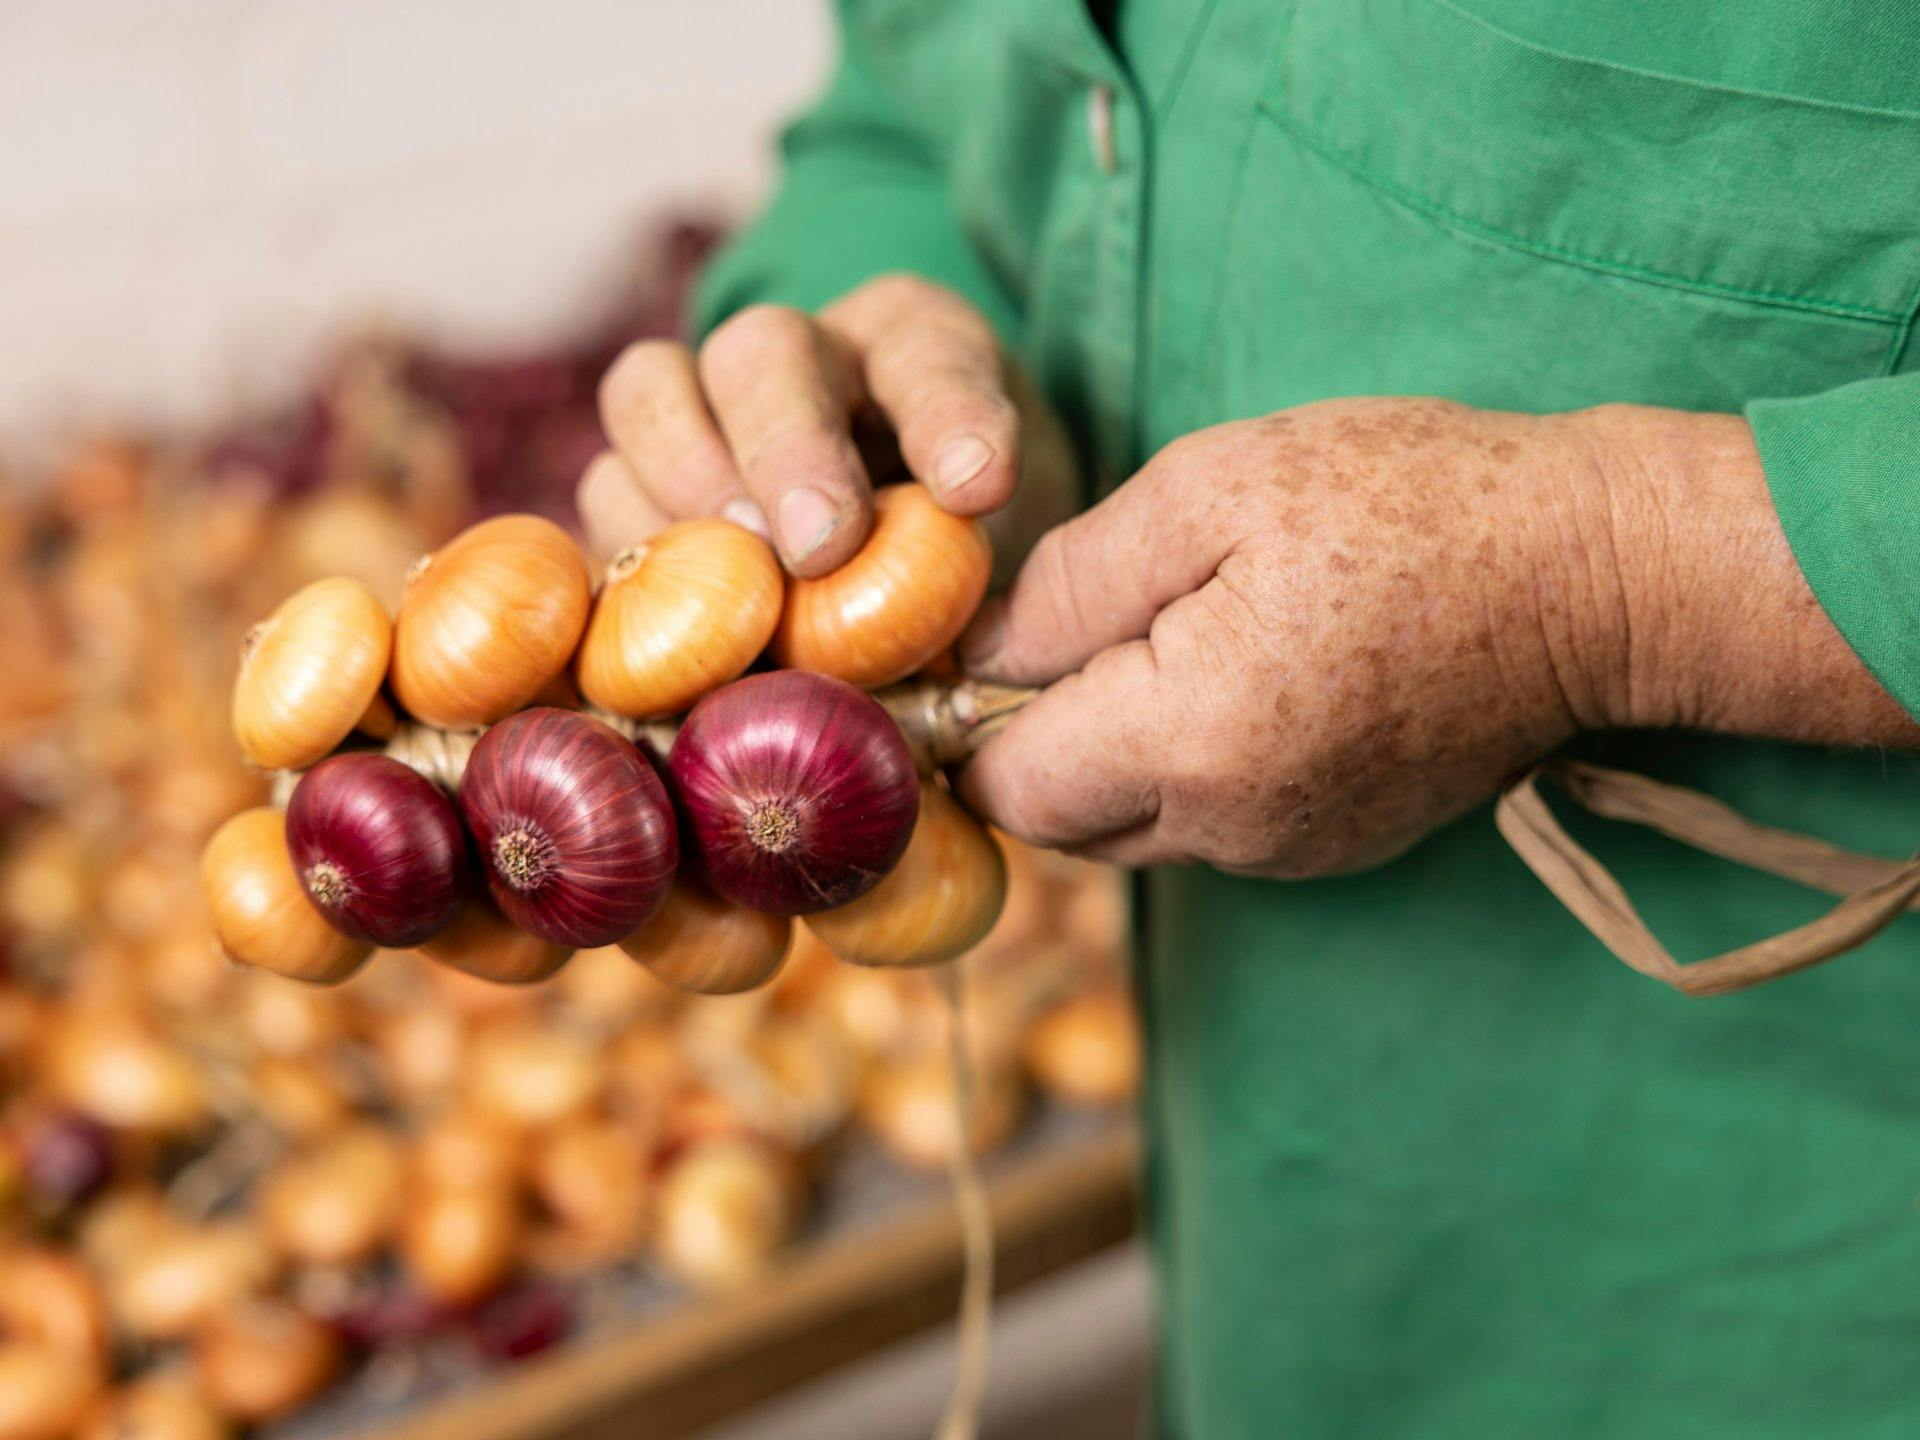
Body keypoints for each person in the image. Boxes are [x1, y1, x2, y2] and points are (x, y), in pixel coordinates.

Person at [578, 3, 1920, 1435]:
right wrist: (880, 314)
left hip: (1797, 1233)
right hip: (1284, 1193)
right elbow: (905, 102)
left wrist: (1606, 576)